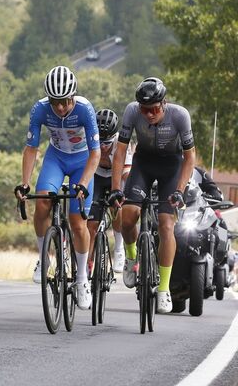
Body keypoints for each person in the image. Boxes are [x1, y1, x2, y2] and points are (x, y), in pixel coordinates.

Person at [15, 65, 100, 310]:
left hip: (82, 161)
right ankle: (43, 259)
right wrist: (25, 181)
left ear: (73, 96)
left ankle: (82, 278)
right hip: (56, 158)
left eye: (64, 102)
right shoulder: (40, 109)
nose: (60, 107)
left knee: (77, 222)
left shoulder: (84, 109)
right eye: (55, 102)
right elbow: (31, 148)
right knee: (42, 201)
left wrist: (83, 183)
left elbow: (96, 153)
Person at [109, 77, 195, 313]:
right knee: (127, 218)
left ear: (164, 103)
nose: (148, 115)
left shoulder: (180, 116)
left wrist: (179, 190)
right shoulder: (131, 111)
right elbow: (120, 152)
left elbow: (190, 158)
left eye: (154, 109)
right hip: (143, 165)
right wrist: (116, 187)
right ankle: (130, 258)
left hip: (172, 167)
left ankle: (164, 289)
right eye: (144, 110)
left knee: (167, 226)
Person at [87, 109, 132, 273]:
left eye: (107, 143)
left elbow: (127, 174)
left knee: (117, 208)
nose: (103, 147)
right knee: (91, 224)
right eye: (100, 142)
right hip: (97, 175)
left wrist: (127, 193)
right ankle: (88, 263)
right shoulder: (89, 138)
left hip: (117, 175)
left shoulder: (122, 142)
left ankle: (119, 249)